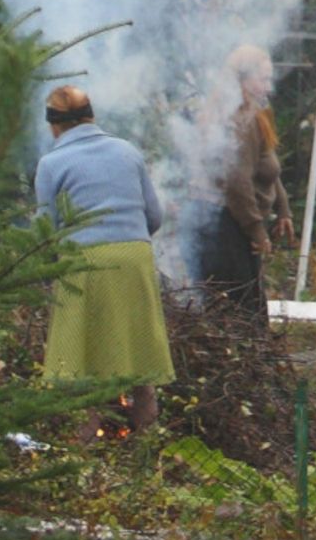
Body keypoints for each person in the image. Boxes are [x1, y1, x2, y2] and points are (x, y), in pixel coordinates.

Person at [35, 85, 174, 430]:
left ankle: (87, 459)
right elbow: (154, 217)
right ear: (92, 115)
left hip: (84, 264)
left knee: (85, 367)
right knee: (142, 365)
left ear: (53, 125)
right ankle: (147, 447)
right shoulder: (127, 151)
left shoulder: (51, 164)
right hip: (135, 260)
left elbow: (45, 231)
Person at [191, 44, 294, 324]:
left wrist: (283, 209)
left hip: (235, 221)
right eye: (263, 78)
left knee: (246, 306)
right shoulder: (239, 120)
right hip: (223, 225)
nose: (268, 85)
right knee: (238, 310)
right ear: (242, 81)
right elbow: (237, 183)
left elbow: (268, 166)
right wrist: (257, 230)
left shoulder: (256, 114)